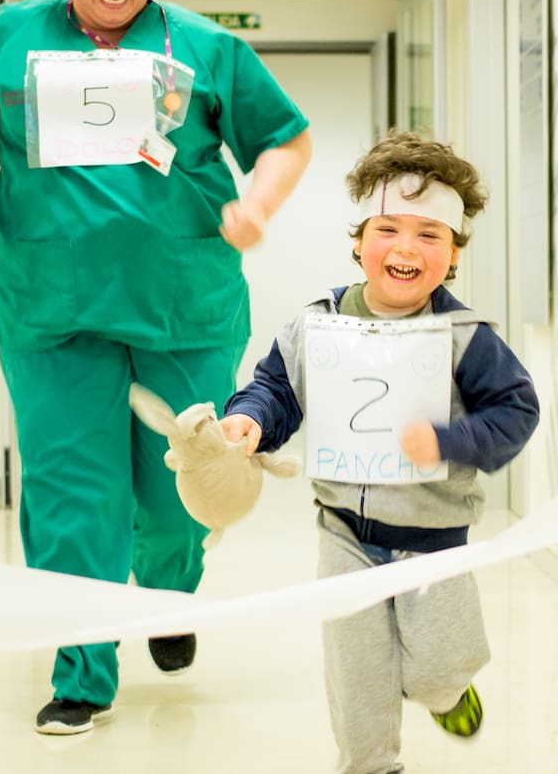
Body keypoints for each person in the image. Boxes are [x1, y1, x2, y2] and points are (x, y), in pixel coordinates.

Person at [0, 0, 311, 736]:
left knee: (179, 494)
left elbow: (287, 138)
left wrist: (259, 207)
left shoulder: (209, 49)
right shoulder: (7, 38)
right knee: (70, 493)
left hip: (184, 305)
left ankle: (167, 597)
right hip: (50, 309)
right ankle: (83, 668)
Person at [221, 131, 538, 774]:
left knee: (436, 668)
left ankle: (445, 692)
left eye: (429, 234)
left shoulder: (465, 337)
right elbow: (275, 388)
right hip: (343, 534)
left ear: (452, 256)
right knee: (357, 679)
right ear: (360, 242)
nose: (406, 247)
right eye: (388, 228)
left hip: (433, 539)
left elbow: (516, 410)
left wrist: (449, 441)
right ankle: (369, 763)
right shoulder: (317, 323)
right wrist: (251, 421)